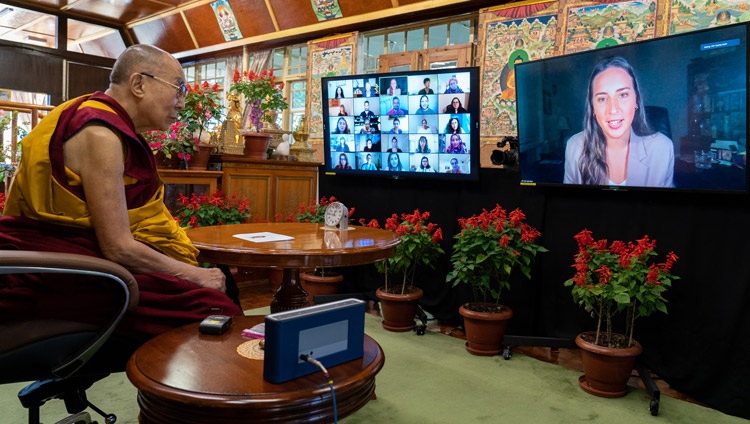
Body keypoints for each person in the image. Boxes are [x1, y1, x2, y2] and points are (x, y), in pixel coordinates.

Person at [0, 44, 242, 344]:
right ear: (139, 83)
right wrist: (194, 275)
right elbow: (118, 248)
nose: (181, 103)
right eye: (178, 89)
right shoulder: (100, 134)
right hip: (71, 272)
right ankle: (161, 390)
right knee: (213, 308)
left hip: (76, 255)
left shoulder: (95, 117)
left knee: (220, 287)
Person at [564, 56, 674, 187]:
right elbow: (569, 203)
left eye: (623, 95)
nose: (613, 110)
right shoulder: (575, 147)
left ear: (636, 100)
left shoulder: (662, 148)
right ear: (593, 107)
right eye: (602, 99)